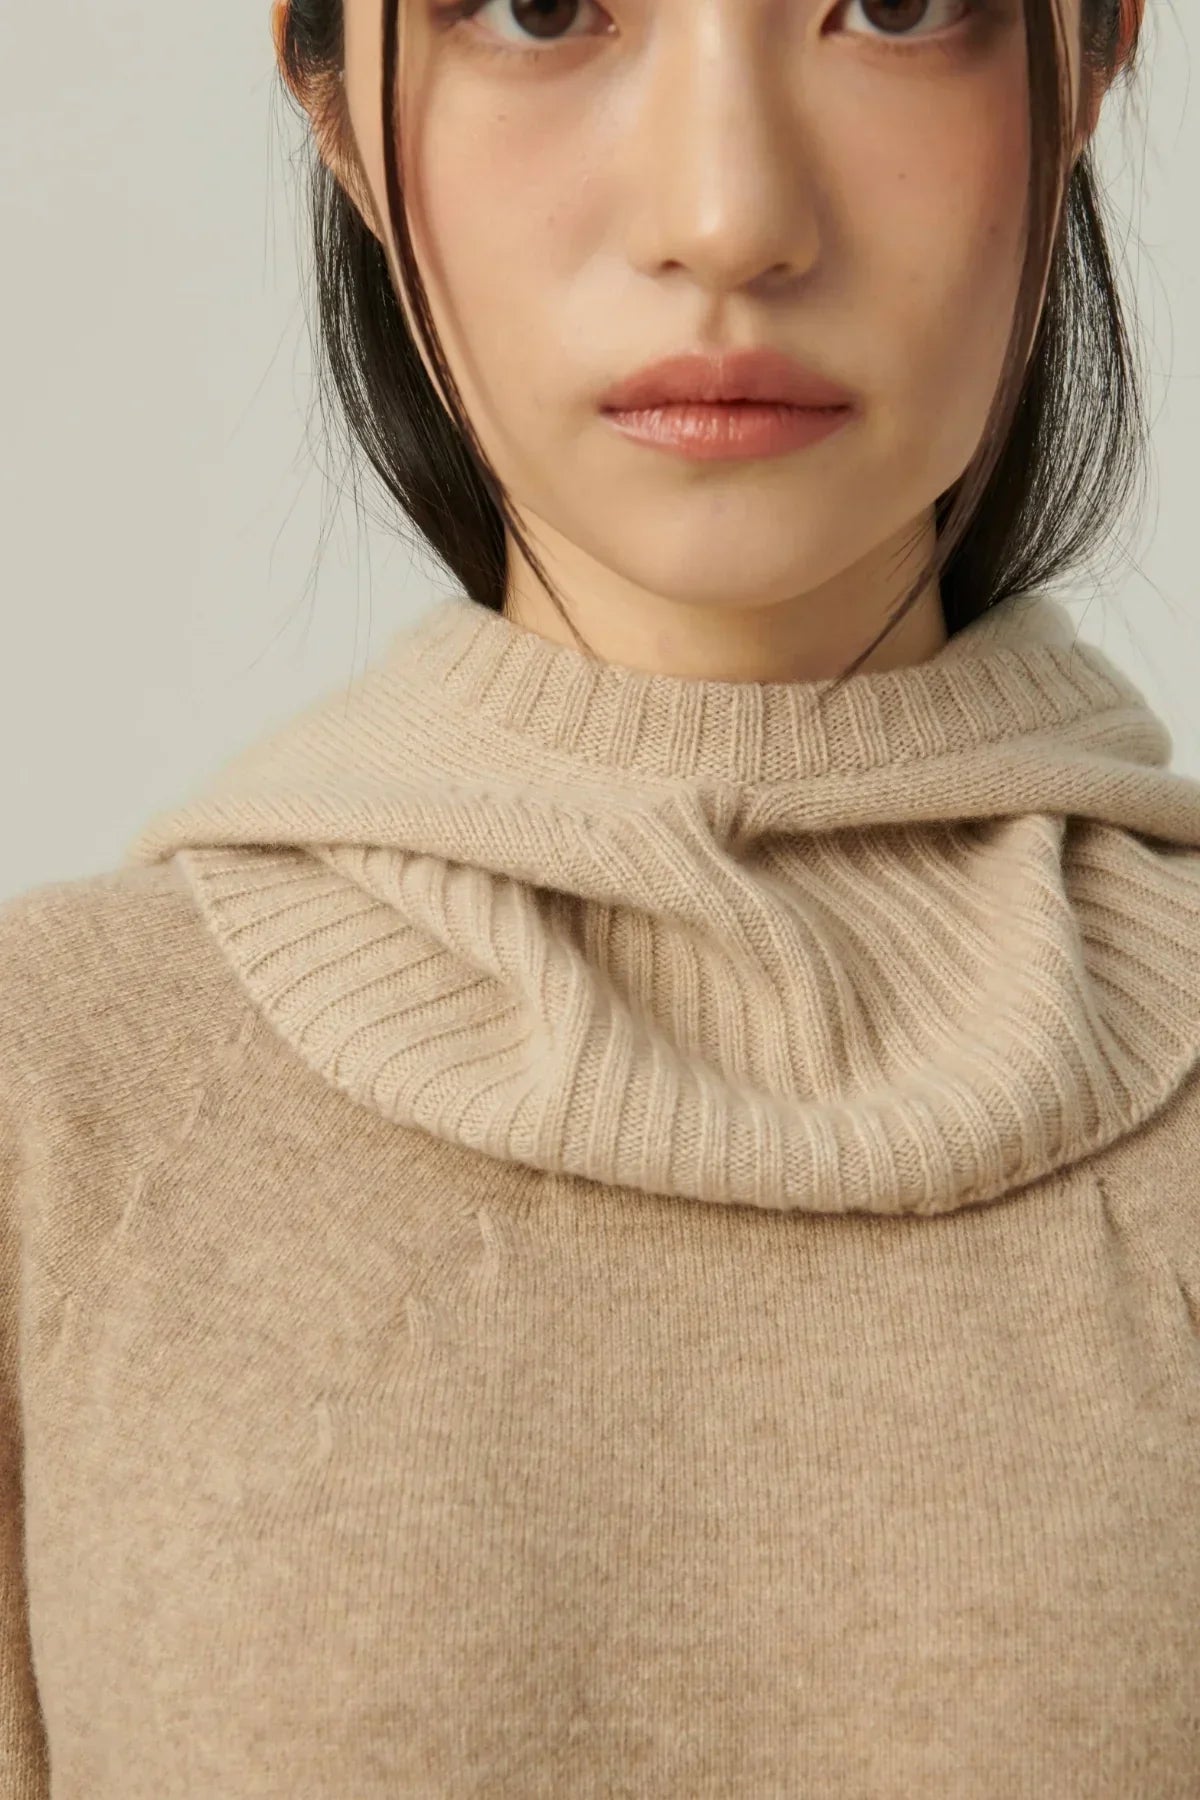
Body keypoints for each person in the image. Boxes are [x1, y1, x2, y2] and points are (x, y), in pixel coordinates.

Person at [3, 0, 1198, 1793]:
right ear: (337, 97)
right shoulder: (52, 1104)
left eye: (892, 4)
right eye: (544, 6)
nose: (726, 216)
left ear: (1089, 64)